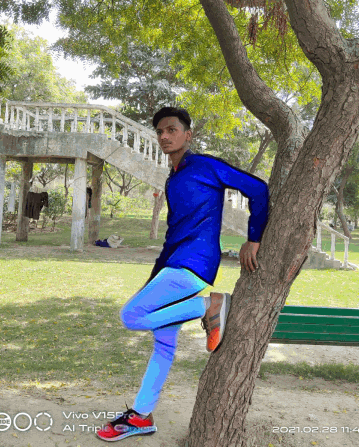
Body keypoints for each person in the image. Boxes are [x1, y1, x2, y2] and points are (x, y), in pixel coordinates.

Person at [96, 107, 269, 442]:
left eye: (171, 130)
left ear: (187, 135)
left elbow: (258, 189)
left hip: (195, 264)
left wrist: (254, 237)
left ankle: (208, 306)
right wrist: (153, 277)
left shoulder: (206, 166)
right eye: (160, 131)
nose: (164, 136)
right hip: (174, 264)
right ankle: (141, 416)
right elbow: (173, 233)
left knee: (131, 315)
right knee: (163, 346)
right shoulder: (172, 178)